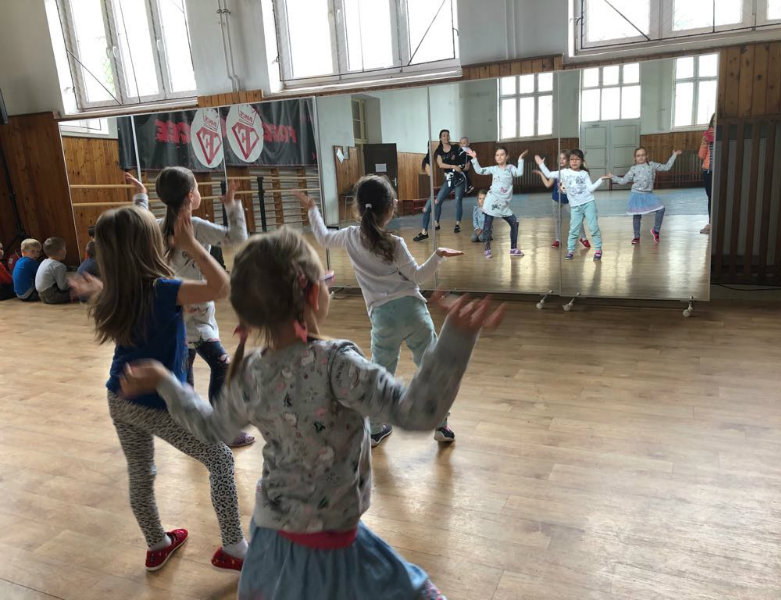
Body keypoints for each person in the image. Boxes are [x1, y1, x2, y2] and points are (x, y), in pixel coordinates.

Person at [119, 225, 505, 600]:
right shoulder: (337, 364)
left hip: (271, 543)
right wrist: (454, 340)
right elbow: (417, 413)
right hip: (331, 551)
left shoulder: (252, 371)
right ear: (314, 293)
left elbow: (210, 427)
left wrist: (166, 382)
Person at [69, 206, 248, 573]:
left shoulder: (116, 291)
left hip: (119, 397)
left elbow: (136, 304)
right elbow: (222, 288)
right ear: (149, 245)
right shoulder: (163, 289)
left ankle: (156, 545)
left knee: (140, 472)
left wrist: (97, 289)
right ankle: (234, 547)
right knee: (220, 459)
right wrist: (193, 246)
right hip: (159, 402)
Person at [296, 176, 463, 446]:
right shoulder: (395, 243)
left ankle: (375, 430)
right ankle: (441, 425)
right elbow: (418, 277)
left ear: (359, 208)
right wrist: (438, 255)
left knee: (380, 374)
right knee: (430, 367)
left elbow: (323, 237)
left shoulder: (350, 237)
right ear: (390, 208)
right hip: (413, 312)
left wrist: (313, 209)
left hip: (383, 318)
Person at [127, 170, 254, 448]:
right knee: (221, 366)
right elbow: (238, 237)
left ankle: (190, 424)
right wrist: (232, 206)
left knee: (186, 370)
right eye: (196, 188)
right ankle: (221, 428)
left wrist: (141, 196)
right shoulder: (194, 226)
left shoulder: (156, 226)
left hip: (175, 314)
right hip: (195, 317)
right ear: (191, 196)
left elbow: (140, 220)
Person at [535, 150, 610, 261]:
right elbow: (549, 174)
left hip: (588, 203)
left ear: (582, 161)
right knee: (573, 229)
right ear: (569, 161)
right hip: (575, 207)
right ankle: (570, 251)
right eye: (572, 159)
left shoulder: (584, 174)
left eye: (577, 159)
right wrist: (541, 164)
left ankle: (598, 250)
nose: (574, 162)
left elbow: (590, 189)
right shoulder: (564, 172)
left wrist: (600, 180)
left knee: (593, 227)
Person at [608, 147, 681, 244]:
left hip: (649, 194)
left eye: (643, 155)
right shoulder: (633, 169)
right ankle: (636, 237)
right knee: (637, 216)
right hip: (636, 194)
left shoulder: (652, 165)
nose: (641, 157)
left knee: (661, 209)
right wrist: (612, 177)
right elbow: (623, 181)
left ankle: (656, 230)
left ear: (647, 156)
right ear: (635, 158)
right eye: (638, 156)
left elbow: (666, 167)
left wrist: (674, 155)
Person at [465, 146, 528, 259]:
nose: (499, 157)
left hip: (503, 205)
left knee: (514, 223)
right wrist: (474, 159)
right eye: (497, 155)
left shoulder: (510, 168)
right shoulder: (493, 169)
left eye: (502, 154)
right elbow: (479, 170)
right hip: (491, 201)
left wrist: (520, 159)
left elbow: (519, 173)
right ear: (495, 157)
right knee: (487, 226)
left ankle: (513, 249)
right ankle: (487, 249)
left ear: (507, 156)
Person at [414, 129, 466, 240]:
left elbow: (464, 157)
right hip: (449, 179)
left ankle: (457, 224)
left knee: (458, 200)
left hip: (459, 179)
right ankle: (436, 222)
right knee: (438, 201)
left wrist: (465, 164)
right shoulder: (438, 152)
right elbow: (440, 165)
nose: (446, 137)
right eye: (444, 135)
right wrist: (452, 166)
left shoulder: (455, 147)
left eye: (447, 135)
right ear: (440, 138)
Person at [534, 151, 589, 249]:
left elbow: (583, 172)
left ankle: (583, 238)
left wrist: (582, 162)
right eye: (559, 158)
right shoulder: (556, 173)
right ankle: (558, 240)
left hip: (569, 201)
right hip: (556, 199)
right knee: (557, 221)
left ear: (568, 160)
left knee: (577, 218)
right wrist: (541, 173)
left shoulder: (572, 172)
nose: (561, 160)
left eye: (563, 158)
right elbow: (547, 184)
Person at [35, 237, 72, 304]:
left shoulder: (44, 262)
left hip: (41, 296)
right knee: (77, 290)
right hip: (52, 297)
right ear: (61, 251)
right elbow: (63, 287)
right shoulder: (59, 266)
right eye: (65, 248)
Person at [698, 113, 715, 234]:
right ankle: (711, 223)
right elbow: (701, 156)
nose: (716, 122)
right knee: (711, 197)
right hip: (708, 170)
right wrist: (704, 143)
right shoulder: (707, 135)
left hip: (722, 170)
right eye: (714, 120)